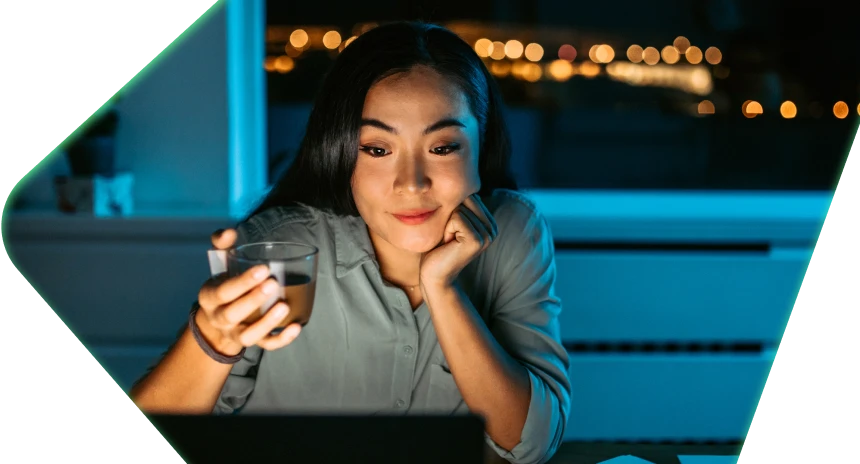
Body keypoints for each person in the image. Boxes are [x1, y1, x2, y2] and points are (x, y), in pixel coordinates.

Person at [130, 21, 571, 464]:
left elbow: (530, 445)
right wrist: (212, 338)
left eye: (442, 148)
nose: (412, 184)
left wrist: (442, 289)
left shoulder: (514, 230)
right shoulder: (279, 248)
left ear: (480, 146)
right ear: (342, 154)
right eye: (377, 149)